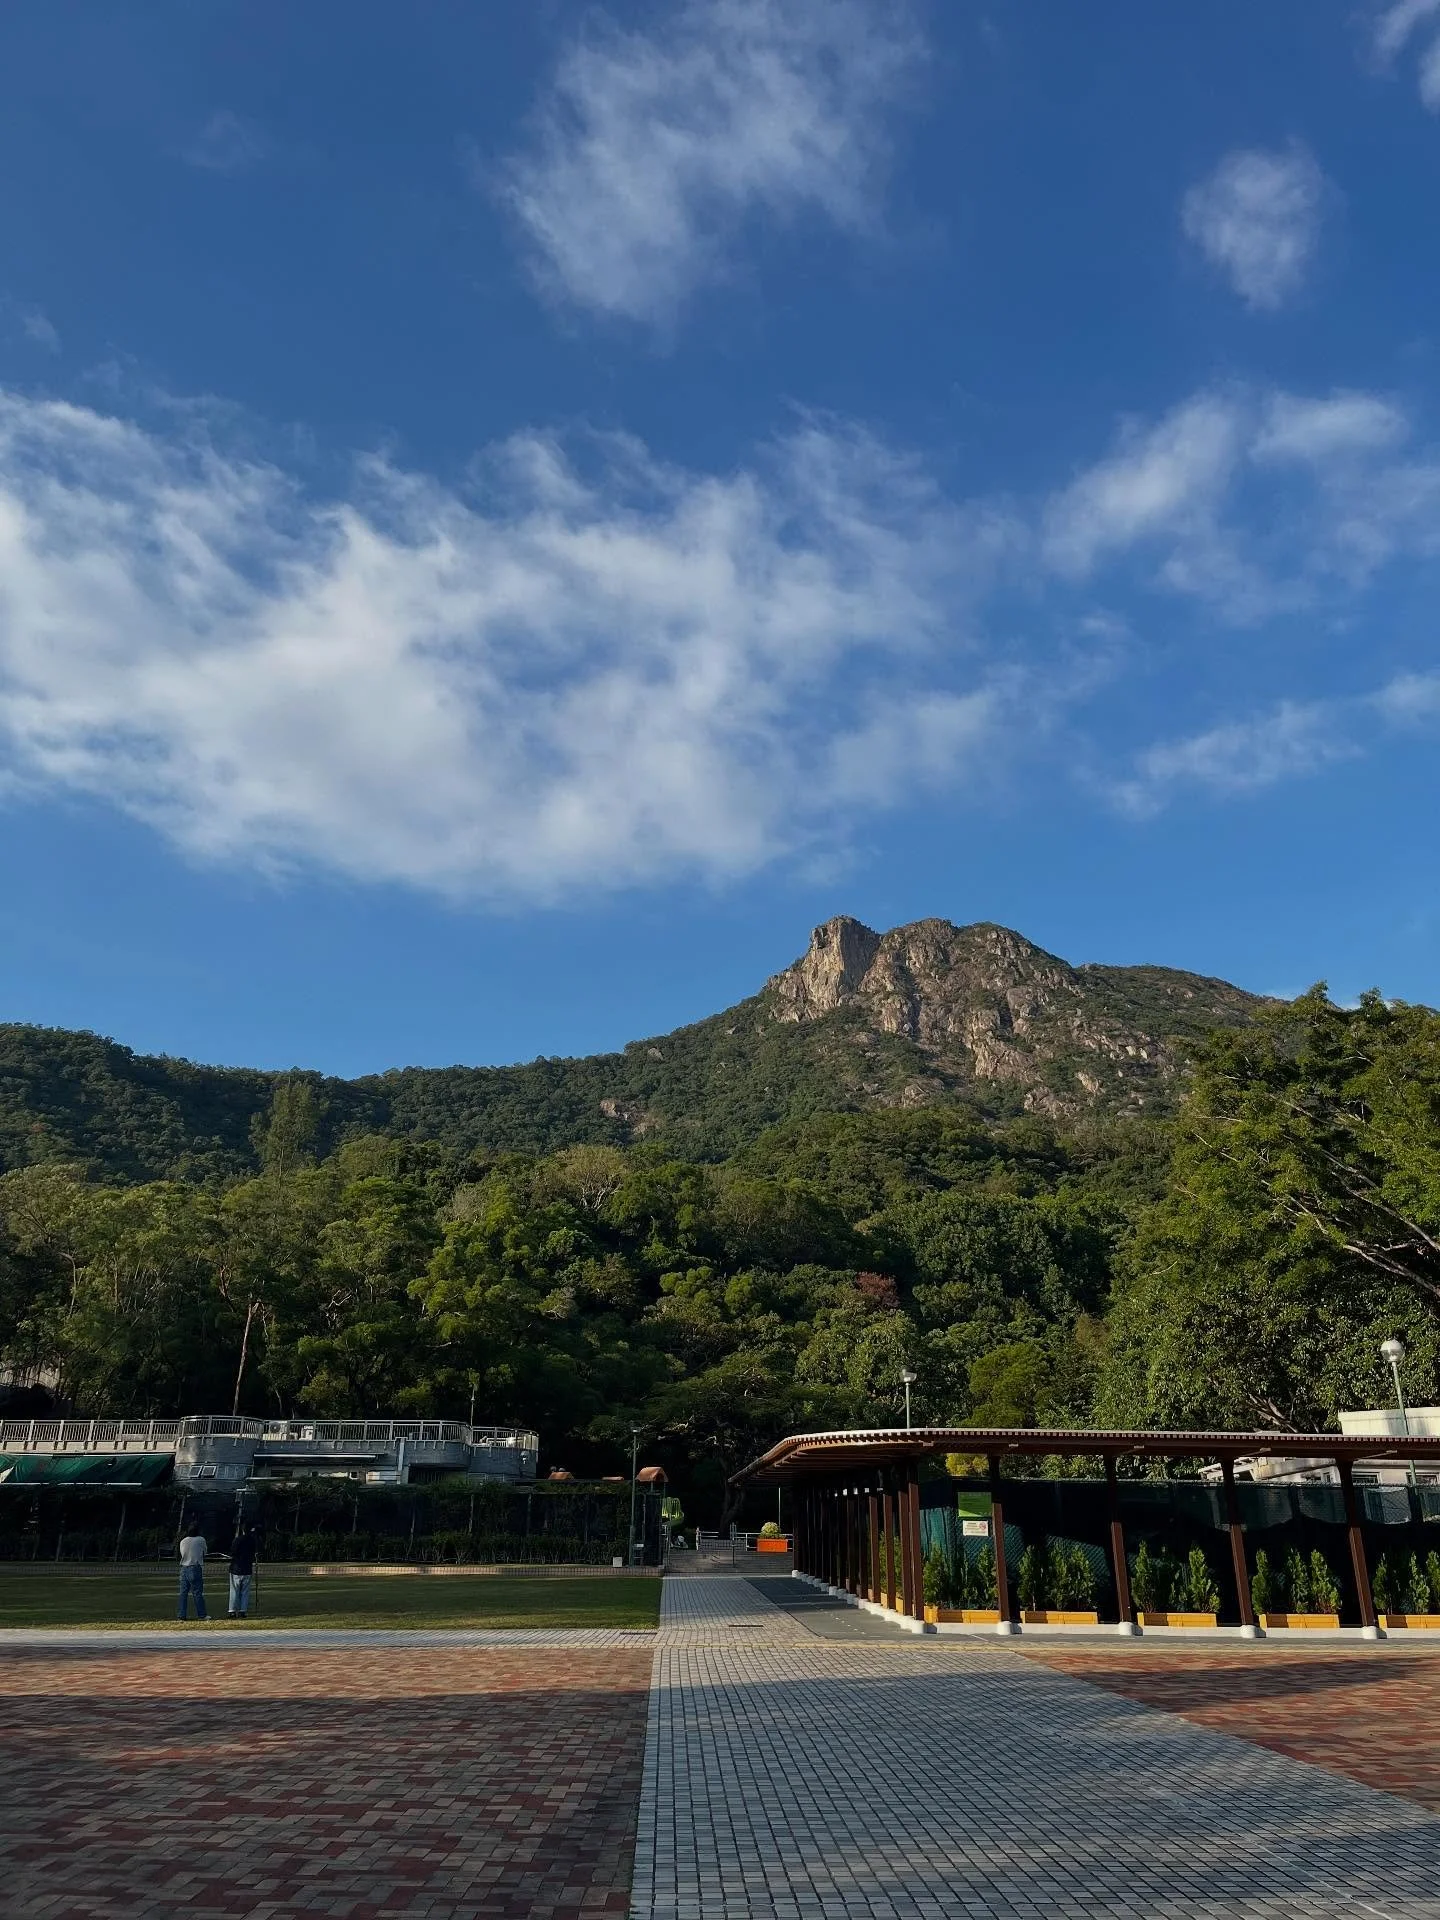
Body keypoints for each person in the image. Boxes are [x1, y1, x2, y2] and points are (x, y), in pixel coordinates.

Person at [177, 1520, 209, 1622]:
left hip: (184, 1567)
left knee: (183, 1593)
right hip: (195, 1566)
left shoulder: (183, 1541)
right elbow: (205, 1551)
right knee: (197, 1592)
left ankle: (181, 1615)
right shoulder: (201, 1540)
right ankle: (202, 1615)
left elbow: (182, 1553)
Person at [227, 1526, 257, 1619]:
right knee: (245, 1592)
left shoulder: (238, 1540)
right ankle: (242, 1611)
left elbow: (233, 1552)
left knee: (234, 1590)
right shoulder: (253, 1541)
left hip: (236, 1569)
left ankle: (232, 1611)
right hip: (247, 1569)